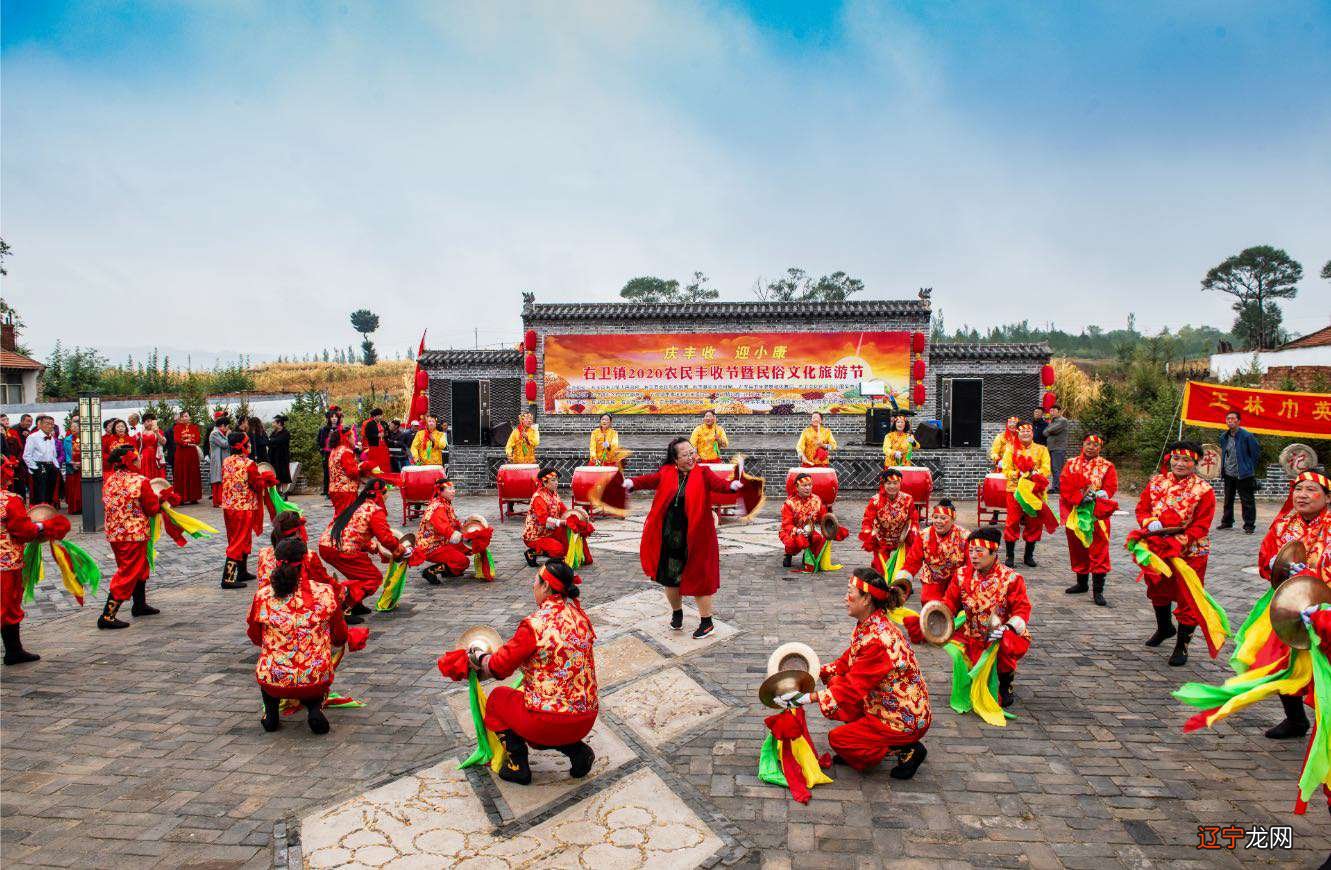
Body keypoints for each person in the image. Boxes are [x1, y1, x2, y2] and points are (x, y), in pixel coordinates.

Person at [447, 560, 597, 785]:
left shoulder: (534, 625)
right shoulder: (581, 617)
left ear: (546, 586)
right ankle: (577, 750)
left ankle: (518, 765)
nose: (533, 586)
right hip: (586, 718)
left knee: (499, 699)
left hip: (549, 721)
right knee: (541, 710)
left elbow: (499, 667)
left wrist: (478, 656)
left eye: (536, 581)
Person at [785, 570, 930, 777]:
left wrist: (805, 698)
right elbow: (846, 662)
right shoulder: (871, 624)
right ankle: (869, 740)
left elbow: (852, 687)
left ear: (867, 599)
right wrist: (809, 673)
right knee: (835, 681)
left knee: (838, 739)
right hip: (885, 702)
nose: (846, 597)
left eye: (850, 592)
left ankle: (904, 747)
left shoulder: (878, 640)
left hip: (902, 717)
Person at [625, 437, 743, 639]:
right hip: (671, 536)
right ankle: (677, 613)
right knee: (670, 578)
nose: (691, 457)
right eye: (686, 455)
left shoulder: (703, 473)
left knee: (699, 577)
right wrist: (631, 483)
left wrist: (732, 486)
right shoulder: (667, 472)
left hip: (697, 536)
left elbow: (719, 485)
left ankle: (707, 622)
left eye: (692, 452)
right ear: (675, 459)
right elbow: (650, 480)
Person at [1252, 469, 1331, 739]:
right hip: (1289, 606)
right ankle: (1296, 719)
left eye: (1311, 490)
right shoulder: (1284, 523)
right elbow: (1266, 557)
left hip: (1324, 611)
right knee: (1280, 661)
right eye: (1298, 489)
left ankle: (1325, 722)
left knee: (1323, 668)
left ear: (1327, 497)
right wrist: (1274, 565)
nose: (1302, 495)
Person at [247, 536, 346, 735]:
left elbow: (255, 636)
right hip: (314, 678)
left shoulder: (263, 596)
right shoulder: (325, 593)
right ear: (305, 561)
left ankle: (272, 713)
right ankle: (314, 708)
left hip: (274, 679)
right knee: (316, 666)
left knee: (270, 667)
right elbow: (340, 635)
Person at [1133, 441, 1216, 666]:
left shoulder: (1204, 490)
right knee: (1157, 587)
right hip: (1158, 546)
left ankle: (1182, 646)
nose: (1180, 464)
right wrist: (1149, 523)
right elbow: (1142, 508)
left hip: (1191, 551)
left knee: (1187, 596)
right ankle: (1164, 628)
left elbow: (1202, 524)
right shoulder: (1157, 482)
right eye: (1176, 459)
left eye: (1186, 460)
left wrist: (1180, 540)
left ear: (1195, 463)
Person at [940, 527, 1031, 708]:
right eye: (971, 551)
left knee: (1005, 644)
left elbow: (1022, 609)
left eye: (979, 552)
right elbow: (949, 602)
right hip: (971, 632)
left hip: (997, 636)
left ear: (993, 552)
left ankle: (1005, 683)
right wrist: (937, 617)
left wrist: (1009, 628)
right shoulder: (961, 575)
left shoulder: (1011, 578)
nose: (973, 556)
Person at [98, 444, 178, 629]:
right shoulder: (140, 481)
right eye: (138, 457)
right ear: (132, 461)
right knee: (128, 572)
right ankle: (108, 615)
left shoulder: (110, 479)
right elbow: (151, 509)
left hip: (115, 532)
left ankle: (139, 604)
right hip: (134, 534)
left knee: (139, 566)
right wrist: (162, 501)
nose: (141, 460)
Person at [318, 478, 410, 622]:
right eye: (387, 493)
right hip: (342, 549)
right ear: (382, 494)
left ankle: (356, 604)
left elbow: (356, 532)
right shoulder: (374, 511)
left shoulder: (355, 505)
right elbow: (385, 538)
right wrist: (400, 549)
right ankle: (344, 605)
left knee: (359, 576)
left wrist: (375, 548)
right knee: (372, 578)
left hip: (326, 546)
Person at [2, 457, 60, 665]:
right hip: (6, 561)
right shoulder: (10, 500)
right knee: (8, 605)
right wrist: (43, 527)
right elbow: (23, 530)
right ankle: (13, 650)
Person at [1060, 434, 1118, 606]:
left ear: (1100, 448)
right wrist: (1077, 497)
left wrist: (1101, 494)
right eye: (1088, 444)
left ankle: (1098, 591)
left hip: (1096, 515)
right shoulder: (1071, 464)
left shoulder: (1107, 466)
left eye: (1095, 445)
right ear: (1082, 445)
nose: (1091, 447)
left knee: (1099, 549)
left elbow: (1111, 487)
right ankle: (1082, 583)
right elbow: (1063, 485)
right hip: (1076, 512)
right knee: (1077, 547)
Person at [220, 432, 277, 589]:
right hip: (243, 507)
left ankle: (242, 571)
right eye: (248, 443)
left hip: (229, 506)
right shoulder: (249, 464)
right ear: (243, 447)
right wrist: (266, 479)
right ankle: (228, 578)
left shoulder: (226, 461)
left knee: (238, 538)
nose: (251, 446)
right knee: (239, 541)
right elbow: (256, 485)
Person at [999, 421, 1052, 569]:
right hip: (1015, 491)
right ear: (1018, 433)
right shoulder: (1011, 449)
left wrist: (1034, 474)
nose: (1025, 434)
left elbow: (1046, 468)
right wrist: (1018, 474)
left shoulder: (1042, 449)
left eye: (1028, 431)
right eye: (1022, 432)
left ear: (1032, 433)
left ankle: (1029, 555)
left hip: (1035, 491)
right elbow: (1006, 470)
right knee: (1012, 521)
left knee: (1034, 522)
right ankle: (1010, 556)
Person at [521, 467, 593, 567]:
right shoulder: (538, 497)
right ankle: (532, 553)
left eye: (557, 480)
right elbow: (544, 521)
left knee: (575, 531)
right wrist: (562, 522)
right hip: (536, 536)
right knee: (559, 549)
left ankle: (580, 556)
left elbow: (564, 512)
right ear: (545, 483)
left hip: (551, 531)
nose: (556, 483)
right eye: (553, 480)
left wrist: (578, 514)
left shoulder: (554, 494)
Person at [902, 500, 968, 604]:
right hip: (933, 579)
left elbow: (971, 564)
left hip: (957, 580)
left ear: (953, 519)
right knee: (929, 604)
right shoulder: (924, 535)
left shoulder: (964, 536)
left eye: (943, 518)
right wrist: (903, 581)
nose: (938, 521)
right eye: (935, 517)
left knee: (958, 604)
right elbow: (912, 561)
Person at [859, 468, 919, 578]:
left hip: (901, 540)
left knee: (902, 572)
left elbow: (913, 520)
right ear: (883, 484)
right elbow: (867, 521)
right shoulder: (875, 501)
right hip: (881, 540)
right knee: (882, 575)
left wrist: (912, 532)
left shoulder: (908, 499)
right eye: (888, 483)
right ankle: (877, 566)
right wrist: (869, 534)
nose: (892, 486)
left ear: (900, 483)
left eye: (895, 483)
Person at [416, 477, 471, 582]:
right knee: (463, 562)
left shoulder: (445, 503)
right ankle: (431, 571)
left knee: (468, 548)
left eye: (453, 488)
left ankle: (449, 571)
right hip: (432, 545)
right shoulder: (438, 507)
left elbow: (453, 523)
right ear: (440, 491)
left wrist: (467, 530)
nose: (453, 491)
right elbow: (444, 528)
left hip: (443, 540)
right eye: (449, 489)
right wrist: (459, 535)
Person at [1218, 410, 1260, 534]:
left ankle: (1249, 525)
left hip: (1244, 474)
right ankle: (1227, 522)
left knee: (1247, 500)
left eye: (1232, 418)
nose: (1230, 421)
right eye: (1228, 419)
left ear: (1238, 421)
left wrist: (1249, 467)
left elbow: (1255, 453)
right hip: (1229, 472)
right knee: (1228, 499)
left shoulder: (1247, 436)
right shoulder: (1224, 437)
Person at [779, 472, 832, 569]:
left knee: (819, 538)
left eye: (810, 485)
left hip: (809, 530)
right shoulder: (789, 503)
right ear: (796, 487)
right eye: (804, 485)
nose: (808, 488)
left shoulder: (817, 500)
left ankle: (808, 555)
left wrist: (830, 527)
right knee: (792, 543)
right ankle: (788, 554)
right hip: (793, 531)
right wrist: (798, 531)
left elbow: (823, 518)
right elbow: (787, 524)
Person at [326, 427, 368, 518]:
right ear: (347, 438)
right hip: (346, 490)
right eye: (352, 437)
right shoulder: (346, 451)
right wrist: (363, 466)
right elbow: (352, 472)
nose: (354, 439)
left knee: (340, 517)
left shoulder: (334, 450)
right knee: (347, 519)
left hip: (335, 489)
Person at [22, 415, 59, 506]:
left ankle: (48, 512)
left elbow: (53, 455)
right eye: (47, 423)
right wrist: (35, 467)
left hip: (50, 466)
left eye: (52, 424)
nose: (50, 426)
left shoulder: (52, 438)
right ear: (41, 424)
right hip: (39, 466)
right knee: (40, 493)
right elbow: (26, 455)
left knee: (50, 492)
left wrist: (56, 467)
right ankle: (39, 513)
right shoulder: (33, 437)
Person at [167, 411, 202, 504]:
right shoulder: (177, 428)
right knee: (181, 474)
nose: (186, 418)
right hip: (181, 453)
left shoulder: (194, 427)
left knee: (193, 473)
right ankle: (181, 497)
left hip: (192, 453)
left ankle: (194, 497)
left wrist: (190, 441)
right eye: (184, 416)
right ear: (181, 418)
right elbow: (177, 439)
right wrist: (188, 442)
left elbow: (198, 439)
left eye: (187, 416)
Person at [317, 407, 342, 496]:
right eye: (332, 417)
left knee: (337, 471)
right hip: (327, 452)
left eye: (336, 417)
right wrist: (321, 449)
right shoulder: (324, 429)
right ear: (329, 419)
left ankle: (336, 489)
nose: (334, 418)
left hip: (338, 453)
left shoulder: (340, 429)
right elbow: (319, 441)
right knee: (327, 471)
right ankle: (326, 489)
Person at [1044, 405, 1070, 491]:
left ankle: (1057, 487)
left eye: (1054, 411)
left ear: (1059, 411)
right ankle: (1055, 486)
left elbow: (1050, 430)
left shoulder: (1063, 421)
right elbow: (1045, 432)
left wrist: (1049, 430)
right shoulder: (1052, 421)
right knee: (1053, 468)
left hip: (1058, 448)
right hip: (1051, 448)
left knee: (1057, 468)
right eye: (1051, 411)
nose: (1052, 412)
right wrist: (1049, 430)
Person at [208, 414, 231, 507]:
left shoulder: (219, 433)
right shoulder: (215, 433)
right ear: (222, 425)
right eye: (227, 426)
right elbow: (224, 444)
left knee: (220, 480)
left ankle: (220, 501)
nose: (228, 429)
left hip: (221, 459)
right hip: (217, 460)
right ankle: (217, 501)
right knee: (217, 480)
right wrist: (228, 435)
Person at [61, 419, 82, 513]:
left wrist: (82, 462)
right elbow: (65, 453)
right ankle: (74, 509)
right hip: (71, 466)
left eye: (76, 427)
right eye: (72, 427)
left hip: (82, 466)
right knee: (72, 488)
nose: (73, 428)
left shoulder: (84, 438)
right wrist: (72, 462)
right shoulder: (67, 439)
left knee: (81, 488)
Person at [361, 408, 391, 474]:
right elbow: (368, 435)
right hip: (374, 447)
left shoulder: (384, 423)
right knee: (376, 463)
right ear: (374, 416)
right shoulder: (370, 424)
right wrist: (377, 435)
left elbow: (388, 433)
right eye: (378, 416)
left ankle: (385, 474)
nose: (380, 417)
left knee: (384, 462)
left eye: (381, 415)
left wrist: (385, 434)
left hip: (384, 446)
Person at [137, 414, 165, 481]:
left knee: (156, 475)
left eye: (151, 421)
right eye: (147, 421)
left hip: (155, 455)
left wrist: (157, 433)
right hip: (144, 457)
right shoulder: (140, 433)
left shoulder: (158, 431)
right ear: (143, 423)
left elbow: (163, 442)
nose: (149, 423)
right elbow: (137, 446)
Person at [267, 416, 292, 488]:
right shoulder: (273, 432)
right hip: (273, 457)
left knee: (284, 475)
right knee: (275, 475)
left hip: (282, 457)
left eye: (274, 422)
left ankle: (285, 492)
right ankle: (277, 492)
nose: (273, 424)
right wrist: (272, 441)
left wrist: (272, 441)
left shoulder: (285, 433)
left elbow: (278, 441)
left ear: (279, 423)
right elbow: (270, 442)